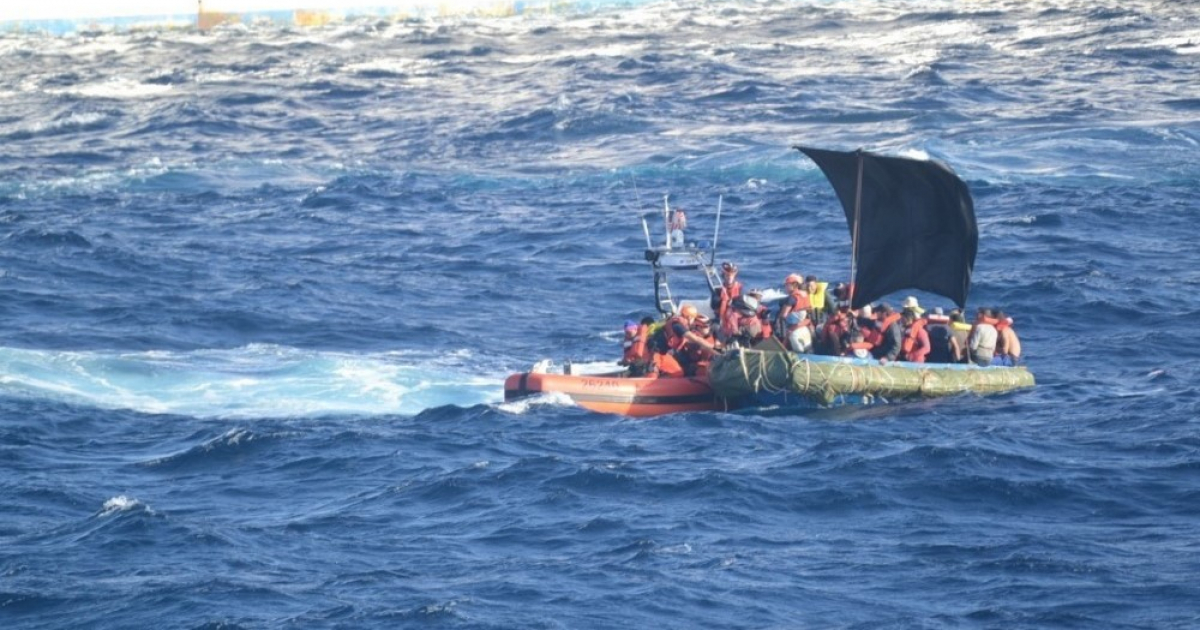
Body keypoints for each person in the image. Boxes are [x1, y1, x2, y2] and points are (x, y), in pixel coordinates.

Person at [662, 304, 720, 376]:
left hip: (667, 352)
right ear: (689, 317)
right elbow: (695, 339)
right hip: (661, 353)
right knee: (679, 373)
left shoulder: (680, 324)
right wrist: (714, 349)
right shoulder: (678, 326)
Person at [713, 261, 743, 326]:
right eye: (727, 275)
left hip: (736, 313)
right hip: (722, 316)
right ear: (724, 276)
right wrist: (722, 301)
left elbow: (742, 300)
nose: (730, 277)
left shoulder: (739, 287)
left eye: (732, 275)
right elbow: (713, 305)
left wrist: (733, 302)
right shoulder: (719, 288)